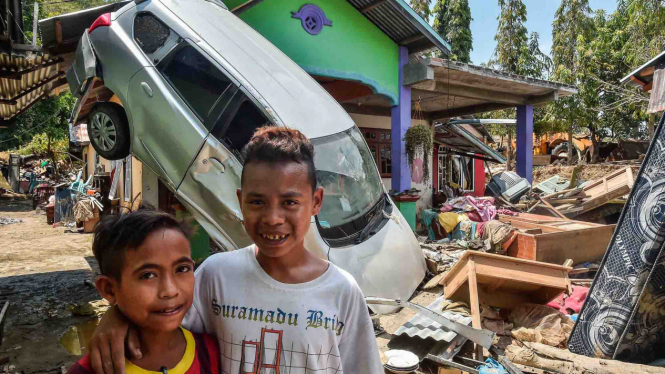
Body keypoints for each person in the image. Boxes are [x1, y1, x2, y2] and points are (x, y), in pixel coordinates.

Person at [88, 126, 384, 374]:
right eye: (257, 202)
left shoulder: (342, 292)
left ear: (316, 202)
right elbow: (160, 318)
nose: (272, 218)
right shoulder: (217, 275)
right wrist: (116, 315)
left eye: (290, 202)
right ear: (241, 201)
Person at [68, 210, 221, 374]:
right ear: (109, 290)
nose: (170, 291)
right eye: (148, 275)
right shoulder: (88, 371)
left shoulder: (211, 352)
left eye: (182, 269)